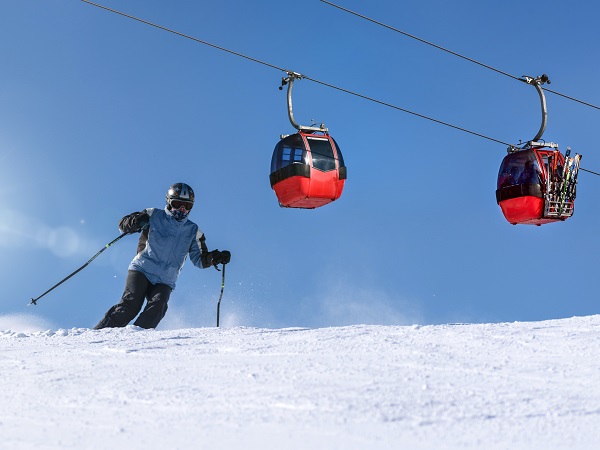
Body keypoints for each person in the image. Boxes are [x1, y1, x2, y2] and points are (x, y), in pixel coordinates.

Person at [94, 182, 231, 330]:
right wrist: (136, 221)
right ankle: (98, 335)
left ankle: (135, 339)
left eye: (187, 206)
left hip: (165, 279)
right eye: (177, 204)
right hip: (142, 269)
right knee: (130, 306)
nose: (182, 209)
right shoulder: (153, 214)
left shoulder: (193, 231)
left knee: (158, 307)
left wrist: (215, 257)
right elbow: (123, 225)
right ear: (168, 201)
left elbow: (200, 260)